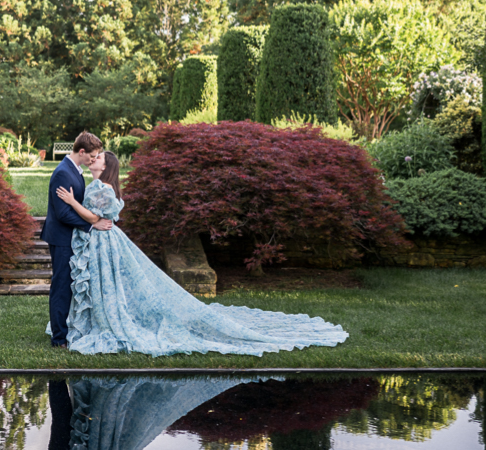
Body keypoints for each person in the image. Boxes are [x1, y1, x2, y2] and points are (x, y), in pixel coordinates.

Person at [55, 151, 349, 356]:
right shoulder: (98, 185)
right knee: (104, 286)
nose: (94, 160)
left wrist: (71, 201)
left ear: (107, 167)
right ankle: (95, 319)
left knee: (108, 285)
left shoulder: (102, 189)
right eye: (94, 157)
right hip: (101, 241)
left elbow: (96, 219)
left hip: (104, 240)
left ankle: (107, 322)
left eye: (99, 158)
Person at [41, 131, 112, 348]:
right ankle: (59, 339)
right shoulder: (63, 173)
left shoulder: (75, 171)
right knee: (61, 287)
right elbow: (62, 213)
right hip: (62, 238)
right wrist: (91, 225)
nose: (93, 159)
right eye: (92, 156)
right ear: (81, 151)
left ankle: (65, 329)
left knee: (68, 286)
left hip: (69, 237)